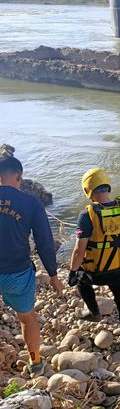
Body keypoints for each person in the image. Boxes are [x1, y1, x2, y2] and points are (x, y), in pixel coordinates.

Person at [0, 155, 63, 376]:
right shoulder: (30, 203)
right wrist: (53, 275)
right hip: (18, 274)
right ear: (19, 176)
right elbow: (45, 242)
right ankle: (36, 362)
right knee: (27, 318)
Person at [68, 168, 120, 351]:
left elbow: (79, 250)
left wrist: (72, 271)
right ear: (107, 185)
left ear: (88, 191)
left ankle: (94, 312)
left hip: (97, 272)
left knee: (82, 282)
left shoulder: (88, 215)